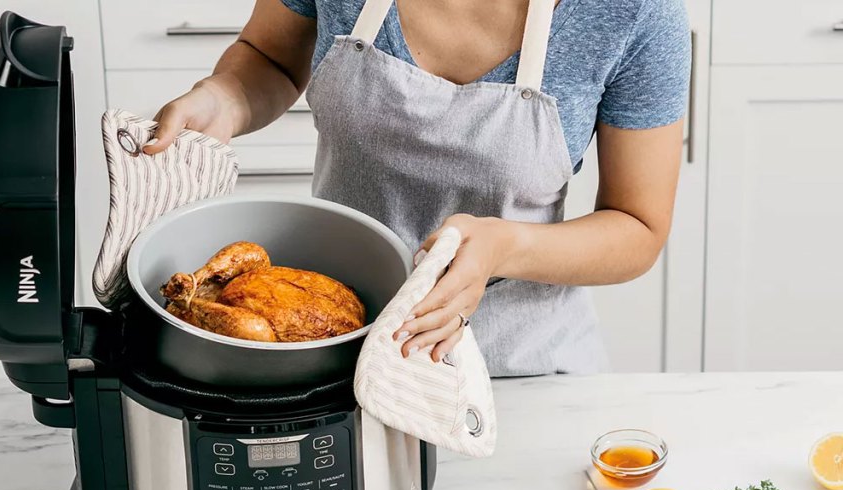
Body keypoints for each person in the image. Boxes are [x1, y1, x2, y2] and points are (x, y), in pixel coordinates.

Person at [145, 0, 691, 376]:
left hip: (520, 368)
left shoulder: (633, 11)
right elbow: (269, 58)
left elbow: (637, 227)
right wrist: (222, 98)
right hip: (332, 347)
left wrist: (505, 245)